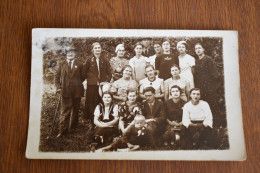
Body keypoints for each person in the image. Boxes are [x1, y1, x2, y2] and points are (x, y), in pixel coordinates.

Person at [55, 46, 85, 138]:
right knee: (65, 111)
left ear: (75, 54)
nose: (70, 54)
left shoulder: (80, 64)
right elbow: (56, 76)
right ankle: (62, 130)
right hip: (65, 91)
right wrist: (58, 88)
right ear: (66, 54)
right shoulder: (61, 64)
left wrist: (77, 84)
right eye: (68, 52)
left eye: (72, 52)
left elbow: (83, 76)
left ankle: (73, 128)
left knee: (75, 110)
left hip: (77, 91)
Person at [83, 42, 112, 126]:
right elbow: (84, 72)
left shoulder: (105, 60)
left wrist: (106, 81)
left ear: (101, 49)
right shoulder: (89, 60)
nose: (97, 49)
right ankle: (92, 120)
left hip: (102, 85)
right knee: (92, 102)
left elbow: (109, 73)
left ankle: (102, 118)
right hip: (92, 85)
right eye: (95, 48)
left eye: (99, 48)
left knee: (101, 101)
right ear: (92, 50)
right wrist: (90, 80)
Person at [194, 43, 220, 127]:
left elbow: (215, 74)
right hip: (200, 87)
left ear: (203, 49)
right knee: (203, 106)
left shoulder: (208, 59)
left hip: (210, 87)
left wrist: (213, 86)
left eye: (199, 48)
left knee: (212, 105)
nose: (198, 50)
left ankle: (216, 126)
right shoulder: (196, 61)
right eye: (196, 49)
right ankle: (206, 126)